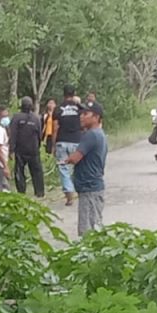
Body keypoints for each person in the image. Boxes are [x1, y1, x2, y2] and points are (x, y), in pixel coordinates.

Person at [63, 102, 108, 236]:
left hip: (89, 187)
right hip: (92, 187)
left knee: (89, 231)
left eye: (86, 114)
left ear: (96, 117)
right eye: (81, 113)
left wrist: (67, 159)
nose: (81, 117)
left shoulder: (91, 135)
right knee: (94, 225)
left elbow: (76, 158)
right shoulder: (99, 134)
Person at [51, 85, 84, 206]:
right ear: (74, 93)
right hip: (77, 140)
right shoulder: (79, 108)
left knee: (63, 168)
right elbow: (84, 123)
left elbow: (55, 128)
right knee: (78, 167)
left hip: (62, 141)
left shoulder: (58, 109)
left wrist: (53, 144)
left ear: (63, 94)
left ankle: (69, 196)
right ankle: (80, 191)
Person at [8, 97, 45, 197]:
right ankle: (40, 192)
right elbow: (39, 134)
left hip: (20, 149)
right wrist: (38, 145)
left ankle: (21, 192)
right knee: (37, 171)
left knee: (19, 171)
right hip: (33, 148)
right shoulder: (36, 118)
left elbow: (13, 134)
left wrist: (11, 149)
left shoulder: (16, 117)